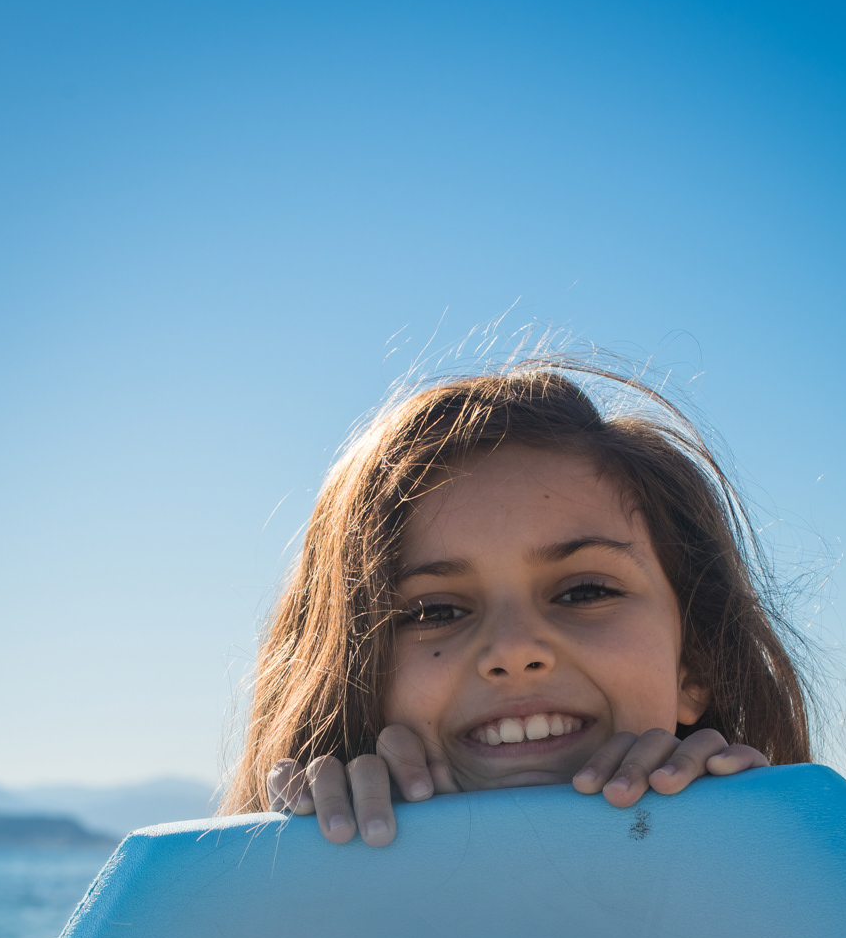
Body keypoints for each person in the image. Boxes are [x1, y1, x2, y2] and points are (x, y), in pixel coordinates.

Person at [222, 360, 815, 842]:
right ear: (350, 674)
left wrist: (760, 850)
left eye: (584, 592)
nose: (512, 650)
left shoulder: (790, 884)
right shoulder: (270, 921)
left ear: (696, 666)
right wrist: (310, 875)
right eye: (435, 612)